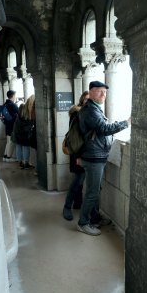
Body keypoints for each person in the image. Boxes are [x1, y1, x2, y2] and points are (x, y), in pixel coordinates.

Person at [77, 80, 131, 236]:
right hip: (93, 157)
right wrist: (126, 123)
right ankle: (83, 222)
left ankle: (94, 217)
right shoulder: (90, 110)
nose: (104, 95)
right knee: (92, 192)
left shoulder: (94, 108)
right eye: (100, 91)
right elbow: (104, 129)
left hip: (96, 155)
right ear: (91, 92)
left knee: (96, 190)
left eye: (105, 92)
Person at [62, 91, 89, 221]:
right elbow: (76, 138)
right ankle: (67, 207)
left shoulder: (84, 113)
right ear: (82, 100)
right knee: (78, 180)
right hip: (78, 153)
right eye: (86, 100)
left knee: (80, 180)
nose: (88, 102)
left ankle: (77, 204)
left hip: (83, 152)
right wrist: (78, 157)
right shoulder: (78, 114)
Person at [11, 95, 36, 169]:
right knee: (26, 147)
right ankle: (26, 163)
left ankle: (20, 162)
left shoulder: (21, 106)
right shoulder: (32, 110)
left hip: (18, 130)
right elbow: (31, 122)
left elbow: (18, 117)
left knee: (18, 145)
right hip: (26, 131)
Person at [3, 90, 19, 162]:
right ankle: (8, 158)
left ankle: (5, 156)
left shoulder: (5, 104)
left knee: (8, 141)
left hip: (7, 125)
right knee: (11, 142)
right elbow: (19, 113)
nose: (15, 97)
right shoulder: (13, 105)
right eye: (15, 95)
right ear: (13, 96)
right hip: (12, 126)